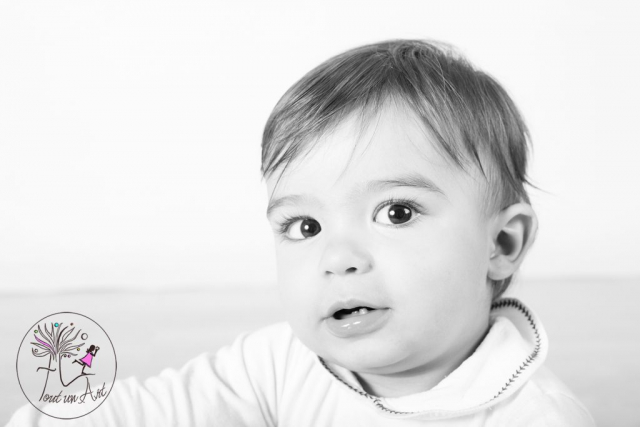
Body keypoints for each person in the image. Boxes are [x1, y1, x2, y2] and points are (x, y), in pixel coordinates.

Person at [6, 39, 595, 426]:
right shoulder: (281, 363)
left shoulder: (538, 416)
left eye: (396, 212)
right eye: (305, 225)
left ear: (502, 244)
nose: (337, 257)